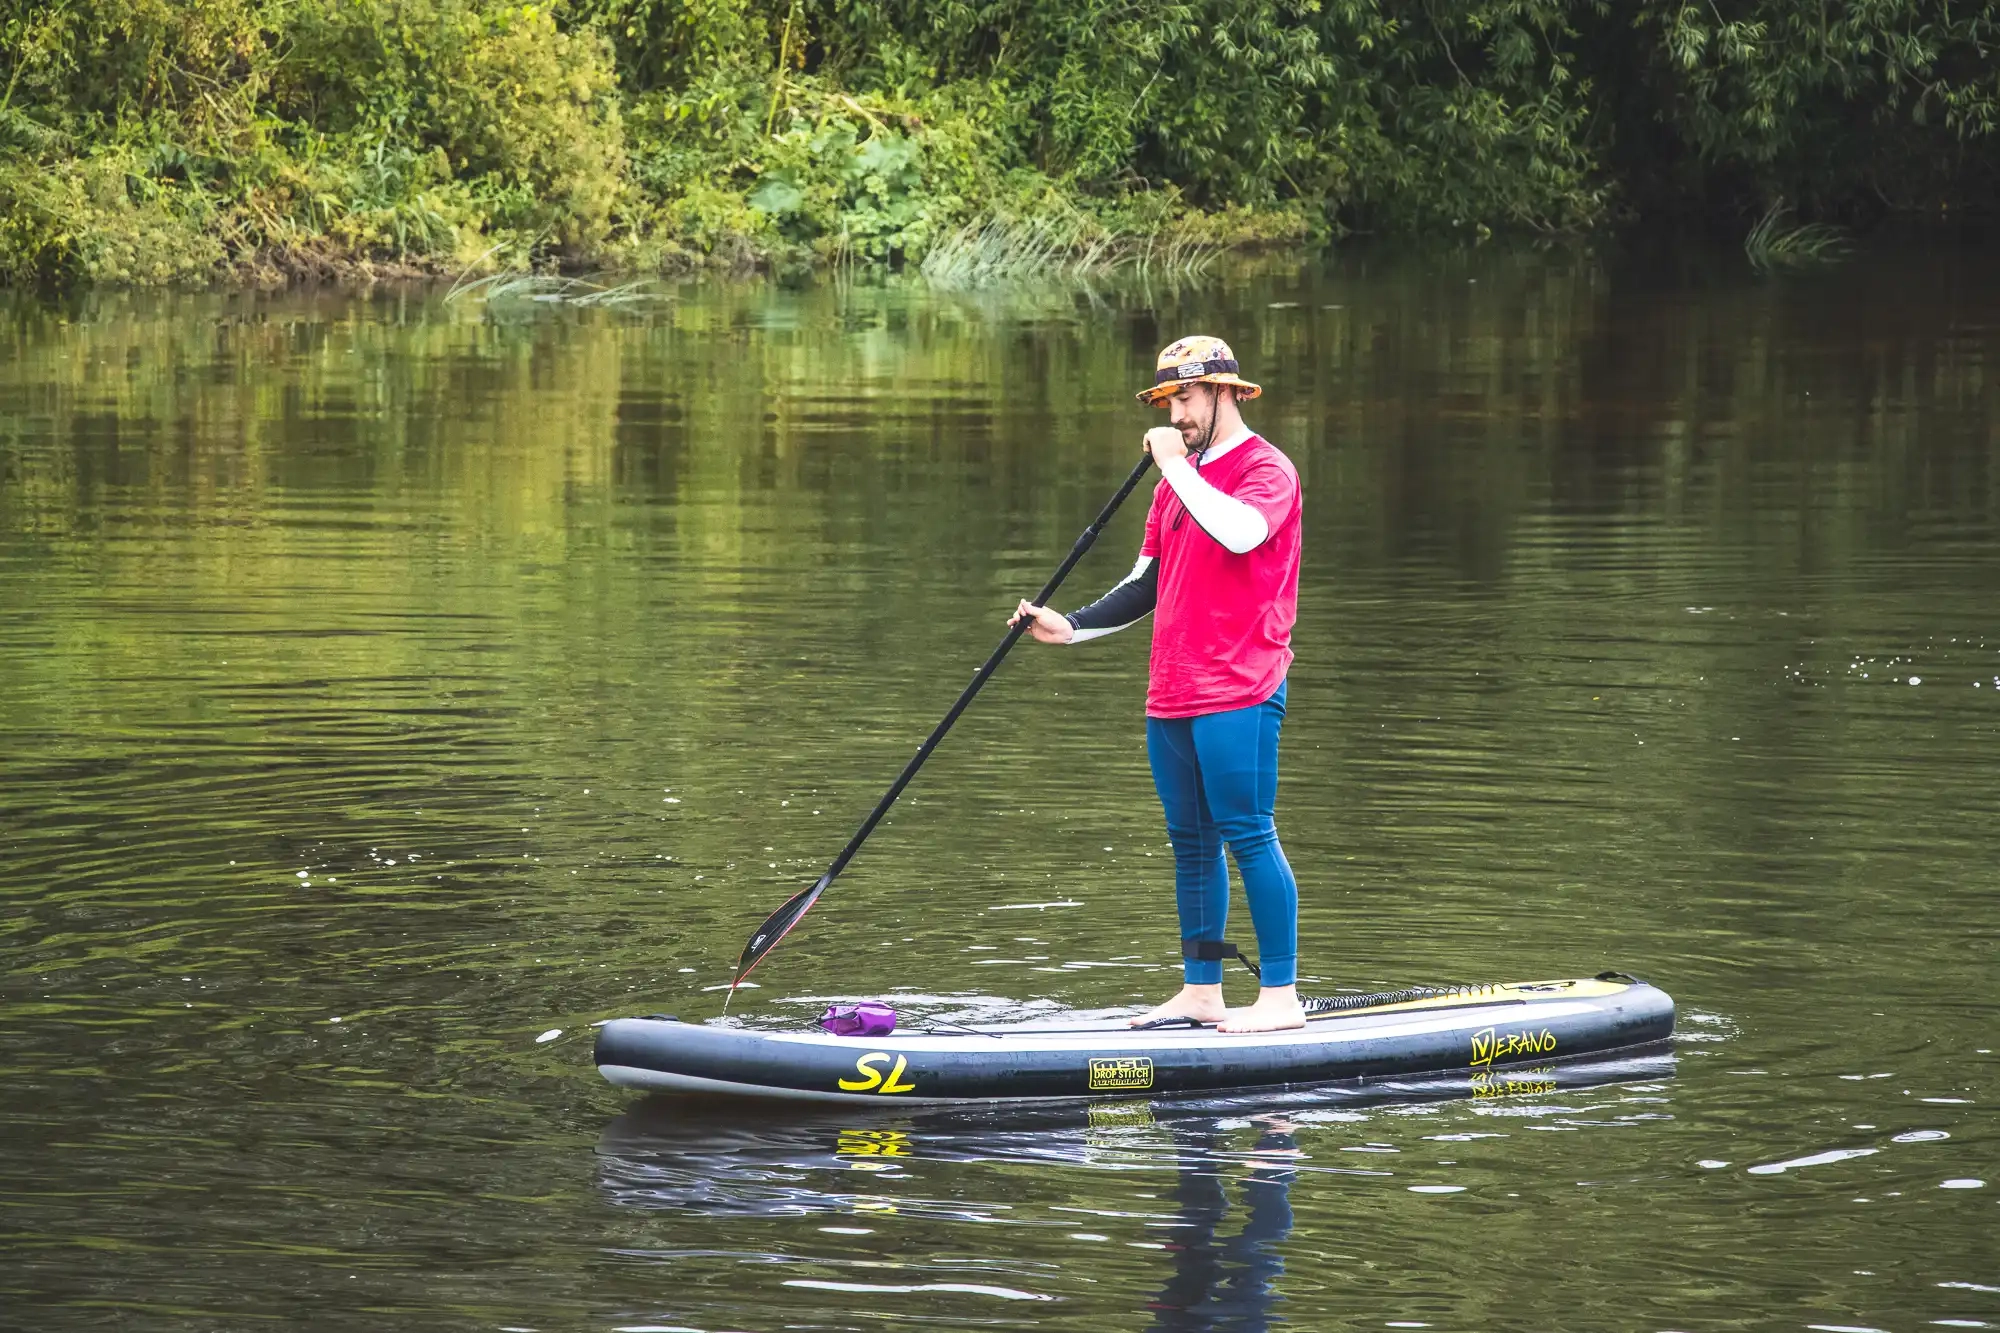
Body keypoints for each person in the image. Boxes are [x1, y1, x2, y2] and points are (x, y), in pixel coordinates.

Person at [1011, 335, 1305, 1033]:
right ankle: (1202, 990)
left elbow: (1239, 533)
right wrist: (1071, 625)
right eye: (1167, 400)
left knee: (1249, 833)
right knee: (1191, 842)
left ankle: (1280, 998)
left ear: (1226, 391)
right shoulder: (1177, 483)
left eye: (1186, 397)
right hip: (1171, 688)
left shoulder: (1268, 469)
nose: (1176, 413)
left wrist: (1177, 469)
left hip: (1241, 684)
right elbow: (1147, 582)